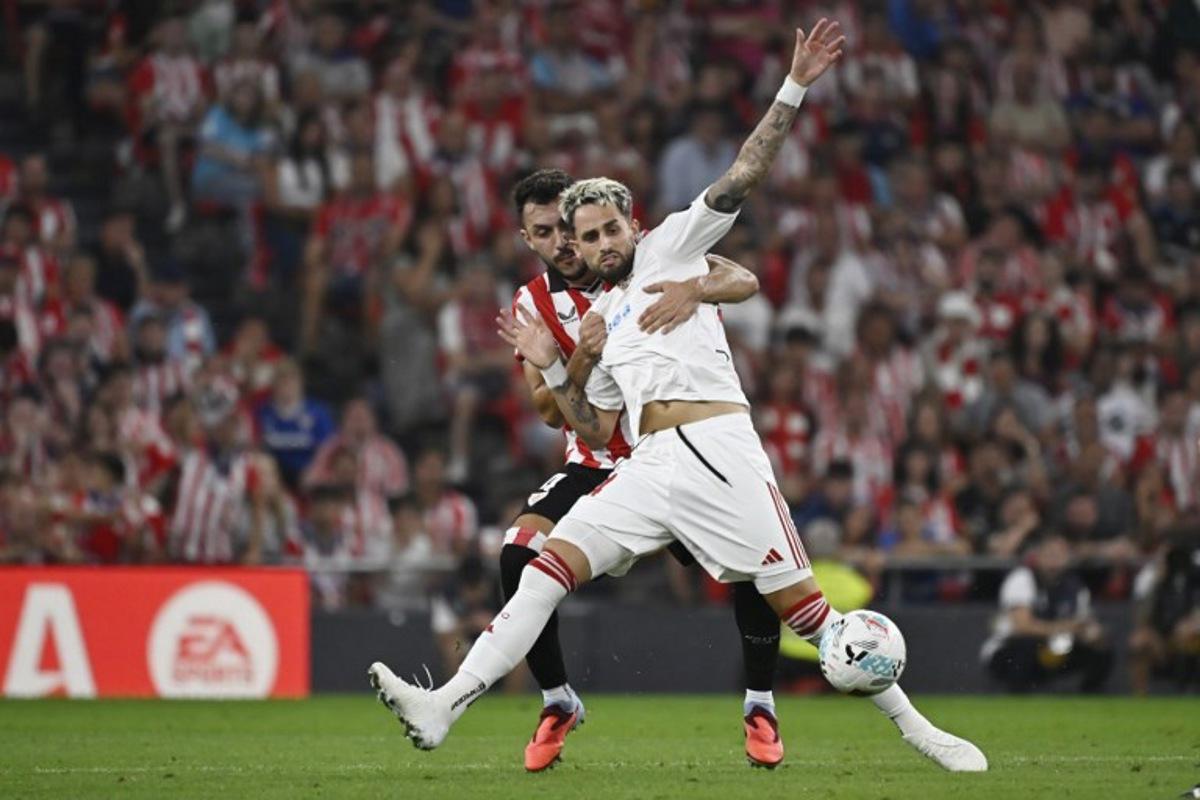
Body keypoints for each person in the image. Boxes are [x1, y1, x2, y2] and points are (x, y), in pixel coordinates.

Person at [370, 21, 986, 773]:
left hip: (721, 453)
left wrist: (794, 85)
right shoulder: (596, 323)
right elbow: (593, 423)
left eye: (606, 229)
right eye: (586, 237)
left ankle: (918, 729)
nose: (599, 245)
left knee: (818, 622)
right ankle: (446, 705)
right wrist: (553, 367)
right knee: (540, 568)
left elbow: (743, 173)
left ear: (631, 224)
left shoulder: (671, 248)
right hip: (650, 465)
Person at [498, 168, 779, 771]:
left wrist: (697, 290)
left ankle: (760, 704)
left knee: (753, 568)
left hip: (677, 450)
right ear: (529, 239)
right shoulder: (532, 304)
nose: (563, 246)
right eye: (544, 234)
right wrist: (573, 356)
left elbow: (740, 276)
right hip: (600, 462)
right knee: (517, 551)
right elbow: (552, 414)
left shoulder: (642, 258)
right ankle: (556, 701)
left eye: (566, 230)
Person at [982, 532, 1114, 693]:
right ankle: (1016, 700)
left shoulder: (1075, 587)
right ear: (1037, 557)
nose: (1054, 561)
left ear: (1068, 558)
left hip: (1056, 648)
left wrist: (1093, 634)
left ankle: (1089, 698)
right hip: (1008, 650)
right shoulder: (1022, 578)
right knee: (1025, 646)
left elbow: (1083, 625)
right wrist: (1066, 627)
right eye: (1050, 554)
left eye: (1060, 555)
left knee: (1101, 649)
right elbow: (1023, 626)